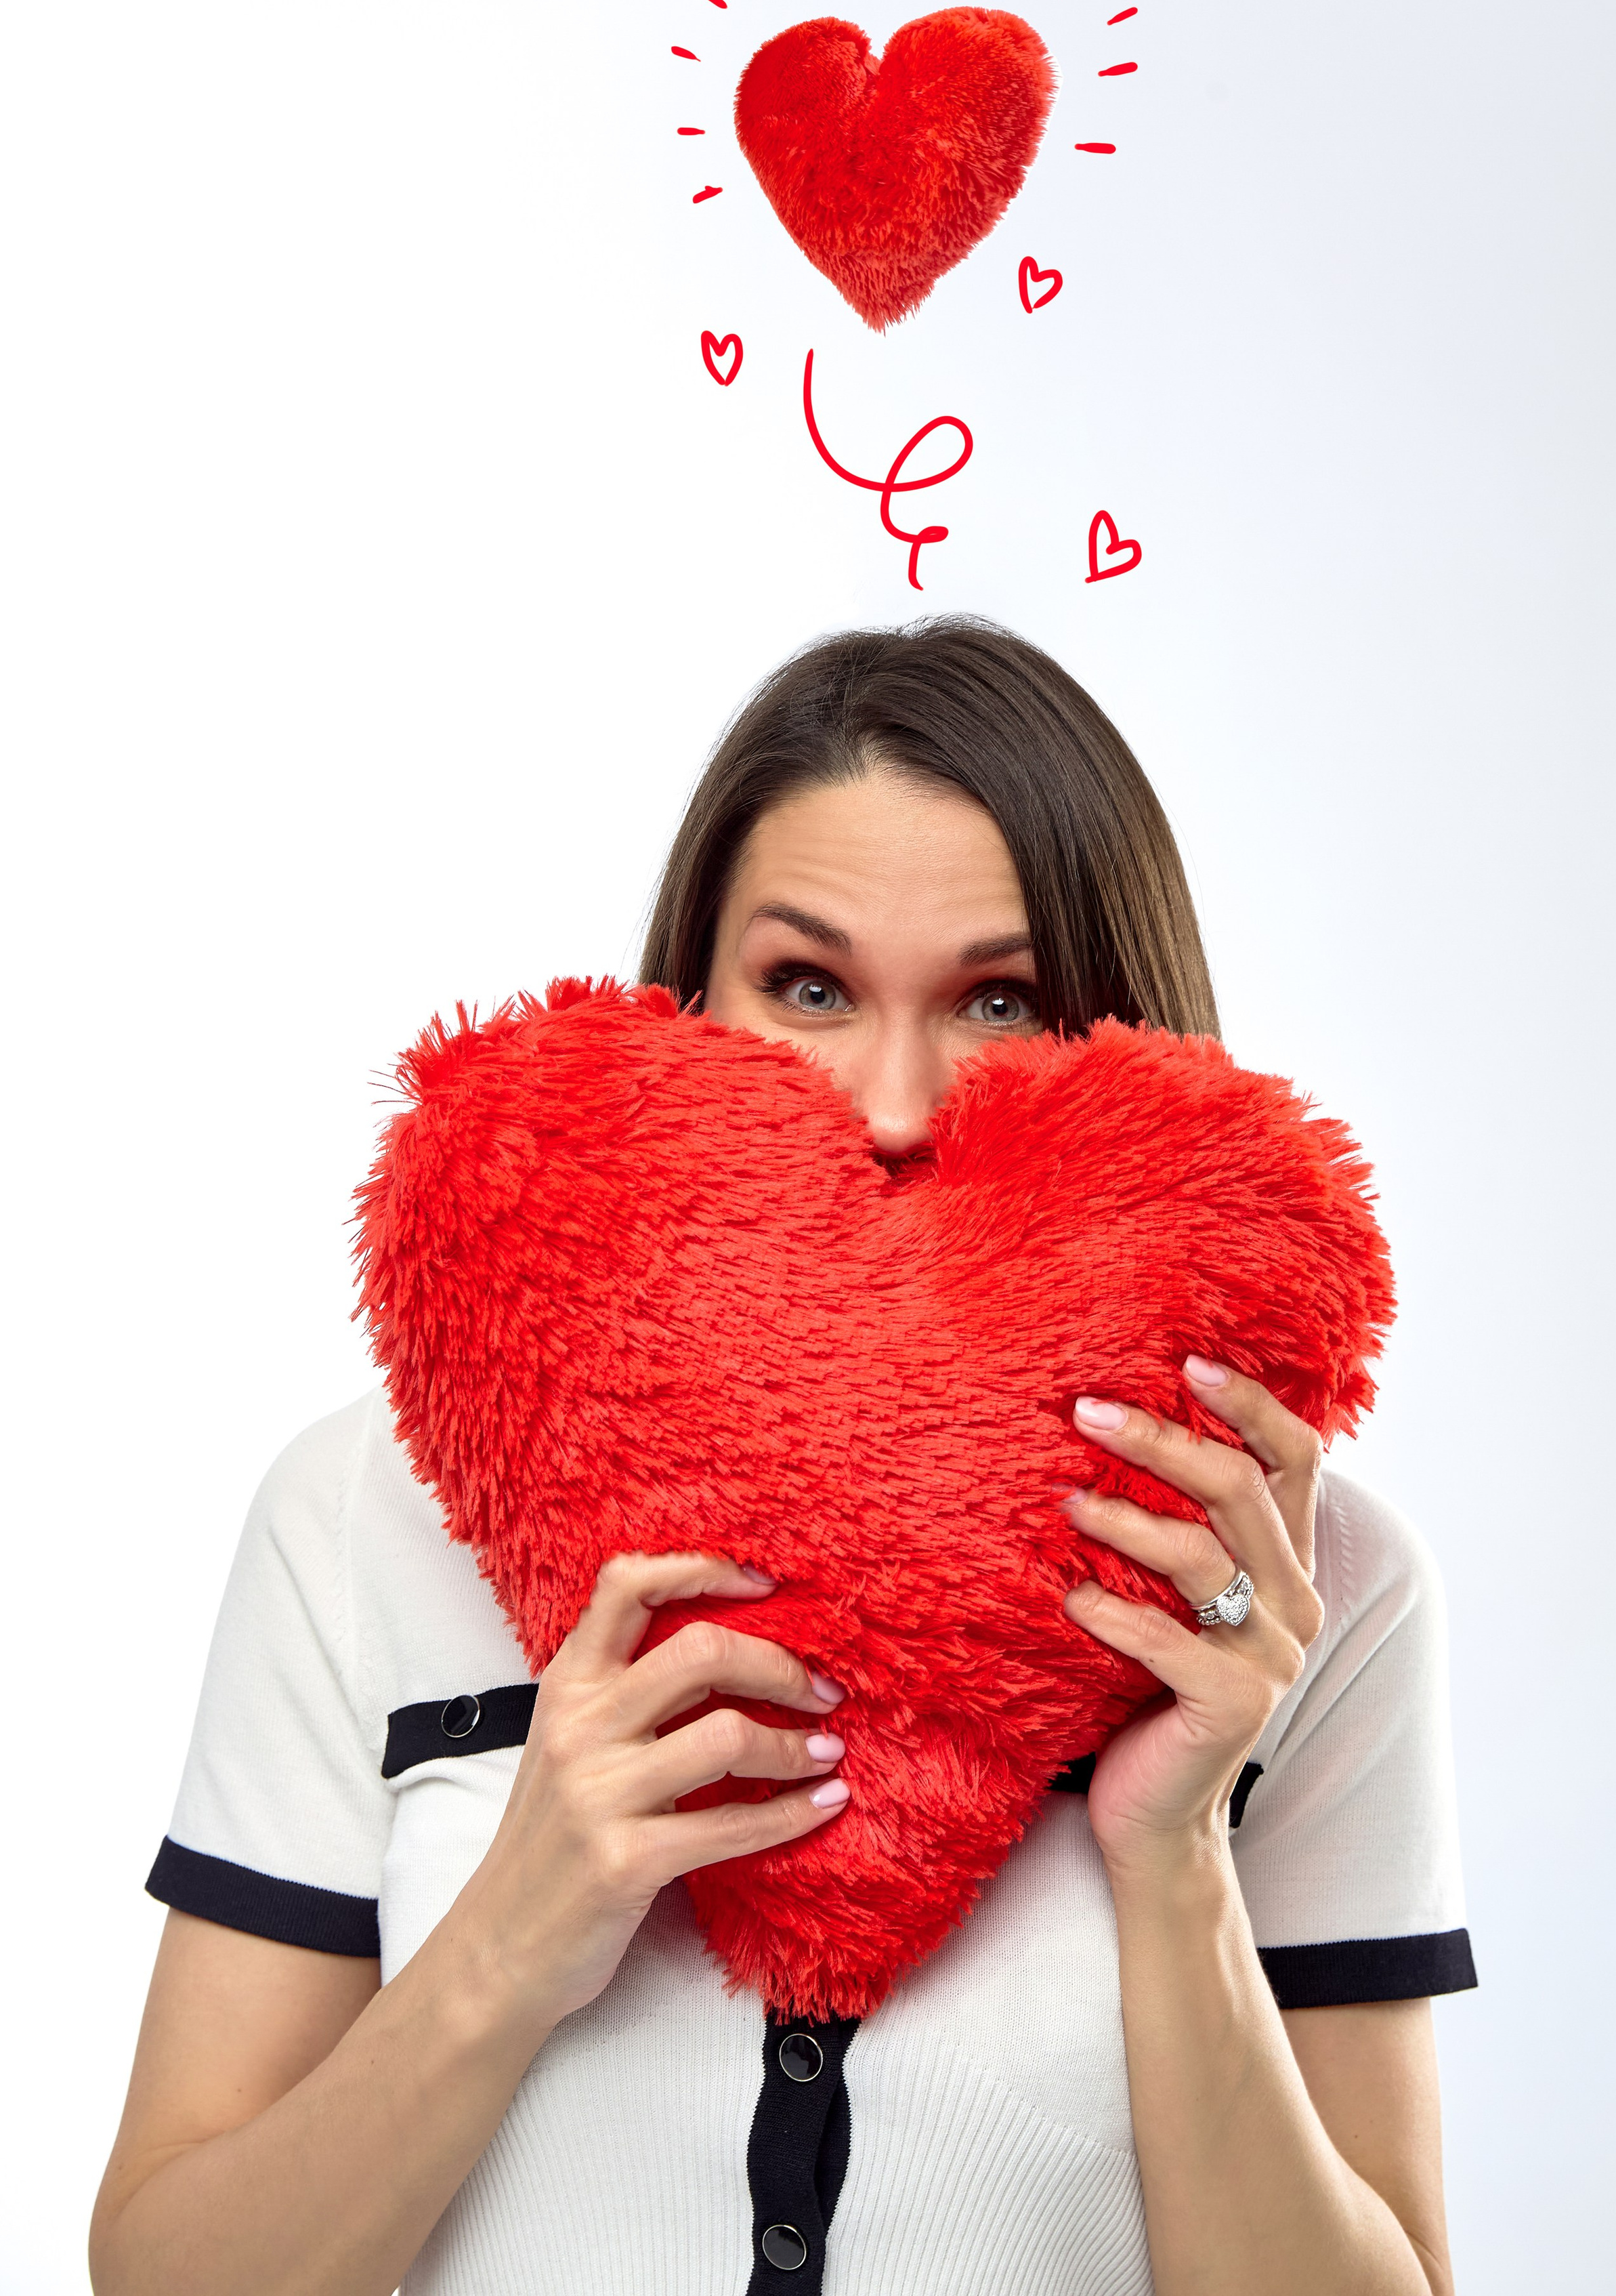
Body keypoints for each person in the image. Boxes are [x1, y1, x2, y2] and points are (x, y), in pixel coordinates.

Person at [91, 618, 1474, 2296]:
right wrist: (521, 1929)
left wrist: (1173, 1857)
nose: (891, 1099)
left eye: (1000, 1000)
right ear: (687, 1000)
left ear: (1123, 1049)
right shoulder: (362, 1518)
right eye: (806, 987)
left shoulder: (1291, 1588)